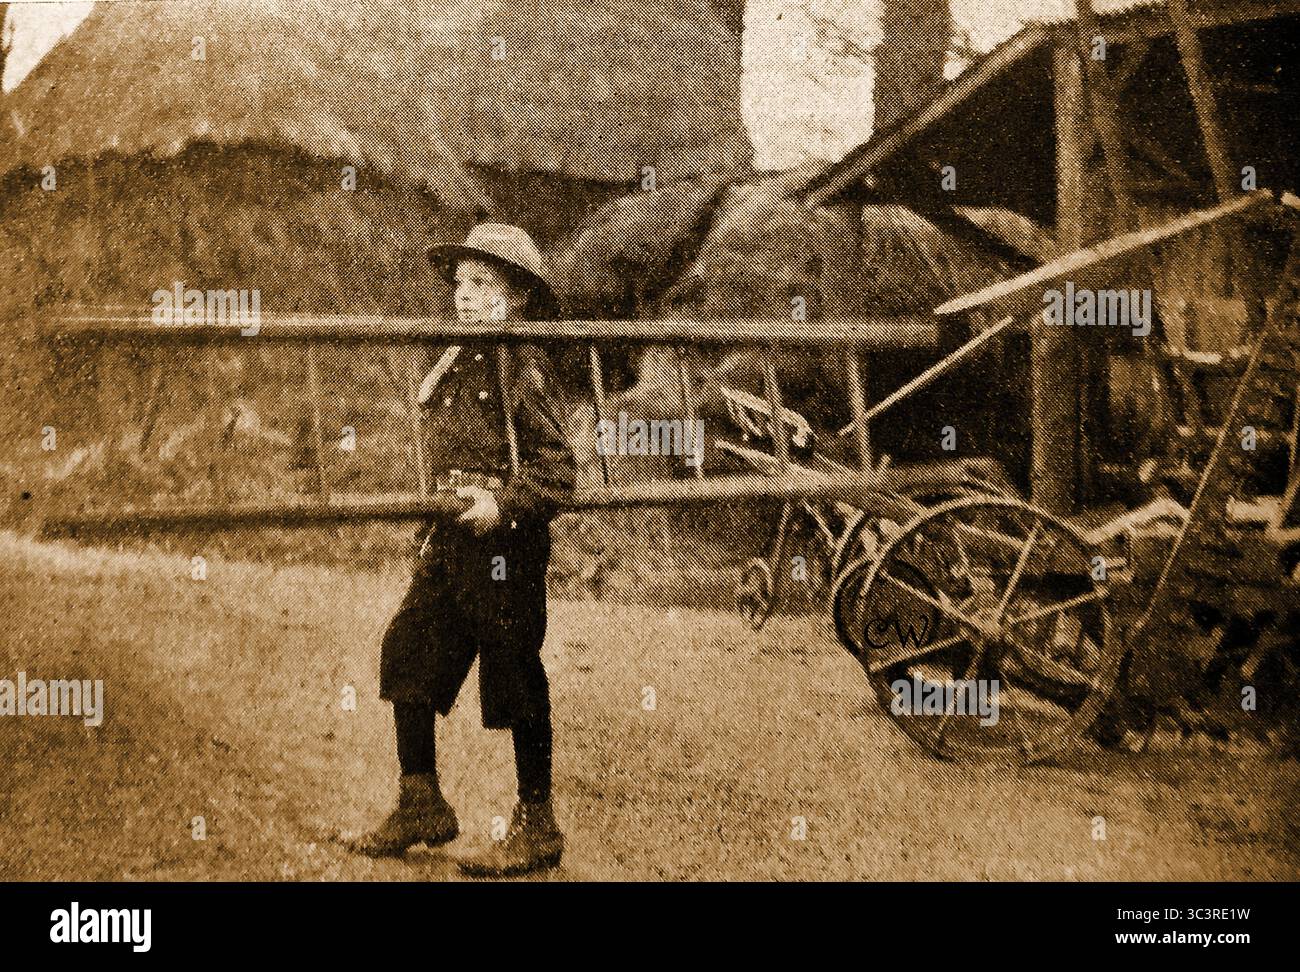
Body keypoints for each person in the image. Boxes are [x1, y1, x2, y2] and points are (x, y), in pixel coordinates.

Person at [347, 223, 576, 877]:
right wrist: (433, 521)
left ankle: (537, 825)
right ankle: (420, 801)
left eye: (483, 284)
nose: (465, 296)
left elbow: (558, 470)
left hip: (505, 545)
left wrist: (501, 504)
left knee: (514, 674)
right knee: (409, 648)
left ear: (518, 296)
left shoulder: (520, 366)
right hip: (449, 537)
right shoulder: (454, 359)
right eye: (460, 283)